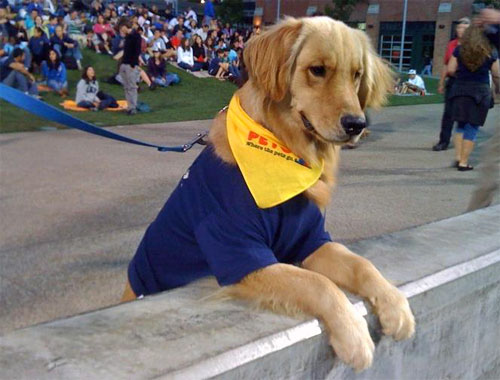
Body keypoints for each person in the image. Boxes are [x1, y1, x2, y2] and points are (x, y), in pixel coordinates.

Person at [447, 26, 499, 172]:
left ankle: (458, 157)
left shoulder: (459, 50)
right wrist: (497, 87)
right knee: (473, 126)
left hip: (460, 88)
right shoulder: (491, 51)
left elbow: (450, 69)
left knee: (460, 124)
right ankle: (464, 162)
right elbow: (496, 73)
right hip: (480, 91)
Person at [432, 17, 470, 152]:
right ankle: (443, 141)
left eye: (465, 28)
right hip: (453, 82)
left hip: (466, 82)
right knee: (448, 113)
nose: (461, 30)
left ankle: (463, 142)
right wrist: (442, 82)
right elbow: (445, 64)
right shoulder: (451, 44)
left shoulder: (472, 45)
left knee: (463, 114)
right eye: (459, 27)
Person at [119, 20, 142, 115]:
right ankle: (129, 106)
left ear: (125, 27)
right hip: (124, 63)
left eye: (121, 28)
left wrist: (133, 64)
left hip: (131, 65)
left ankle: (133, 107)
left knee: (132, 87)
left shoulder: (136, 36)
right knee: (126, 87)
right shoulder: (127, 37)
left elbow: (137, 51)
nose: (121, 30)